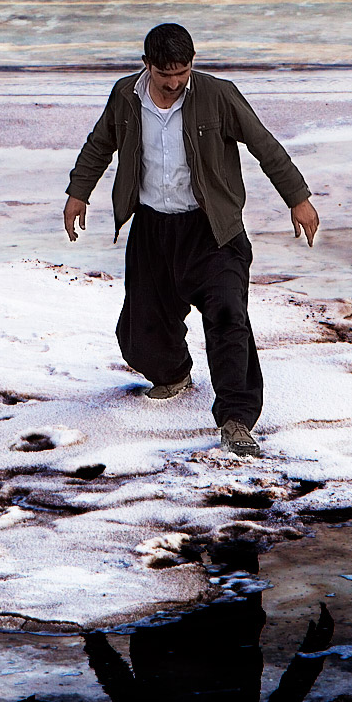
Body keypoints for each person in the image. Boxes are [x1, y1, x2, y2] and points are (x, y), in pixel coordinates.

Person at [63, 23, 319, 458]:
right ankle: (176, 373)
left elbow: (264, 144)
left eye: (183, 71)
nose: (176, 82)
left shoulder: (217, 94)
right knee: (139, 334)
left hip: (212, 231)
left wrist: (298, 198)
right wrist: (77, 194)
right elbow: (98, 145)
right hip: (152, 229)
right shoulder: (126, 96)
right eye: (167, 74)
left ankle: (236, 419)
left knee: (227, 314)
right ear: (147, 66)